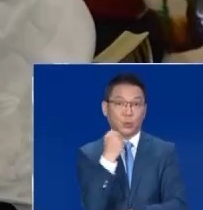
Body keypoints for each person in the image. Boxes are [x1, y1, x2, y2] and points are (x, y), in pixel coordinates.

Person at [75, 73, 187, 210]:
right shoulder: (89, 154)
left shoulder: (164, 151)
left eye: (135, 104)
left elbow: (178, 205)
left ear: (144, 111)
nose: (128, 112)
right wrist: (108, 159)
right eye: (120, 103)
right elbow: (92, 205)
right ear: (105, 108)